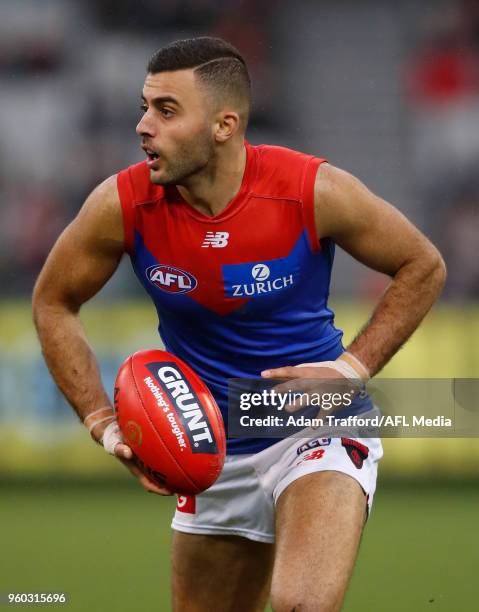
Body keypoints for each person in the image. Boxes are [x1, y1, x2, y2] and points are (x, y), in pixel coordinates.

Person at [32, 37, 446, 612]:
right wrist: (104, 422)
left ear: (224, 126)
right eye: (145, 106)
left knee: (302, 603)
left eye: (166, 111)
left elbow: (422, 264)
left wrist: (350, 369)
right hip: (208, 456)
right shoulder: (121, 204)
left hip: (314, 429)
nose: (142, 126)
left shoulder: (311, 190)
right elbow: (54, 302)